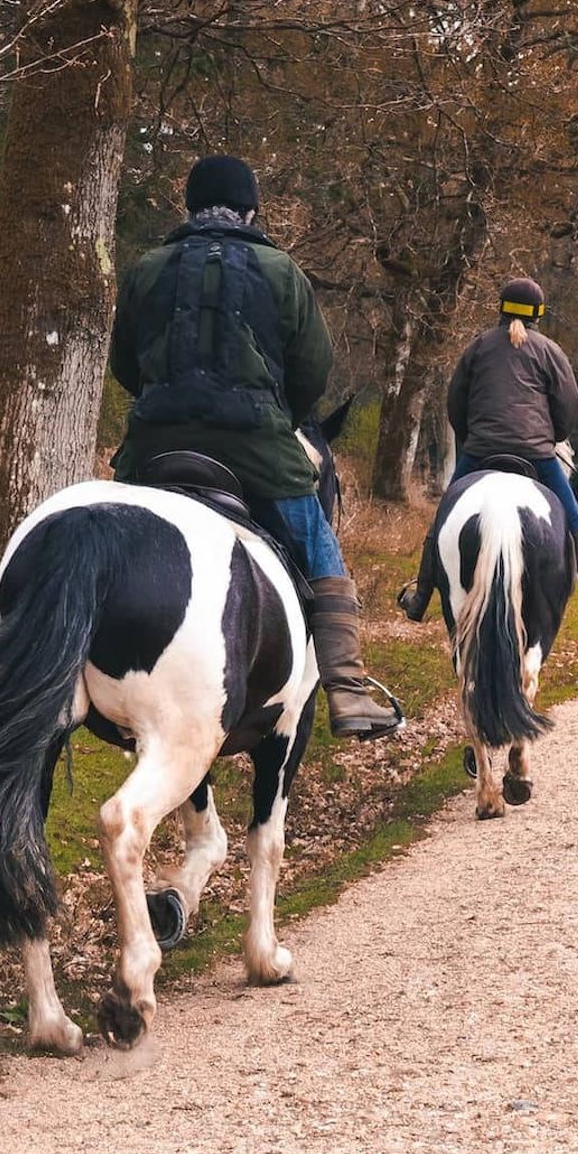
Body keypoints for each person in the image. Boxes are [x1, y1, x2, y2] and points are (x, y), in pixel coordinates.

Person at [108, 154, 401, 741]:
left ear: (188, 207)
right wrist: (278, 418)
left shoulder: (147, 268)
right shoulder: (281, 270)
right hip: (257, 450)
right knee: (319, 547)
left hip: (152, 449)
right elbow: (312, 371)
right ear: (250, 209)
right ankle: (346, 686)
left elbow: (124, 364)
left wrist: (166, 401)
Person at [397, 276, 578, 627]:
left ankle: (419, 599)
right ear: (539, 313)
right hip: (536, 454)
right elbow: (569, 405)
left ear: (501, 308)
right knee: (572, 518)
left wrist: (472, 437)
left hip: (480, 452)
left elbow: (455, 403)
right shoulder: (551, 352)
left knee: (443, 516)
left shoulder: (477, 347)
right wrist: (553, 436)